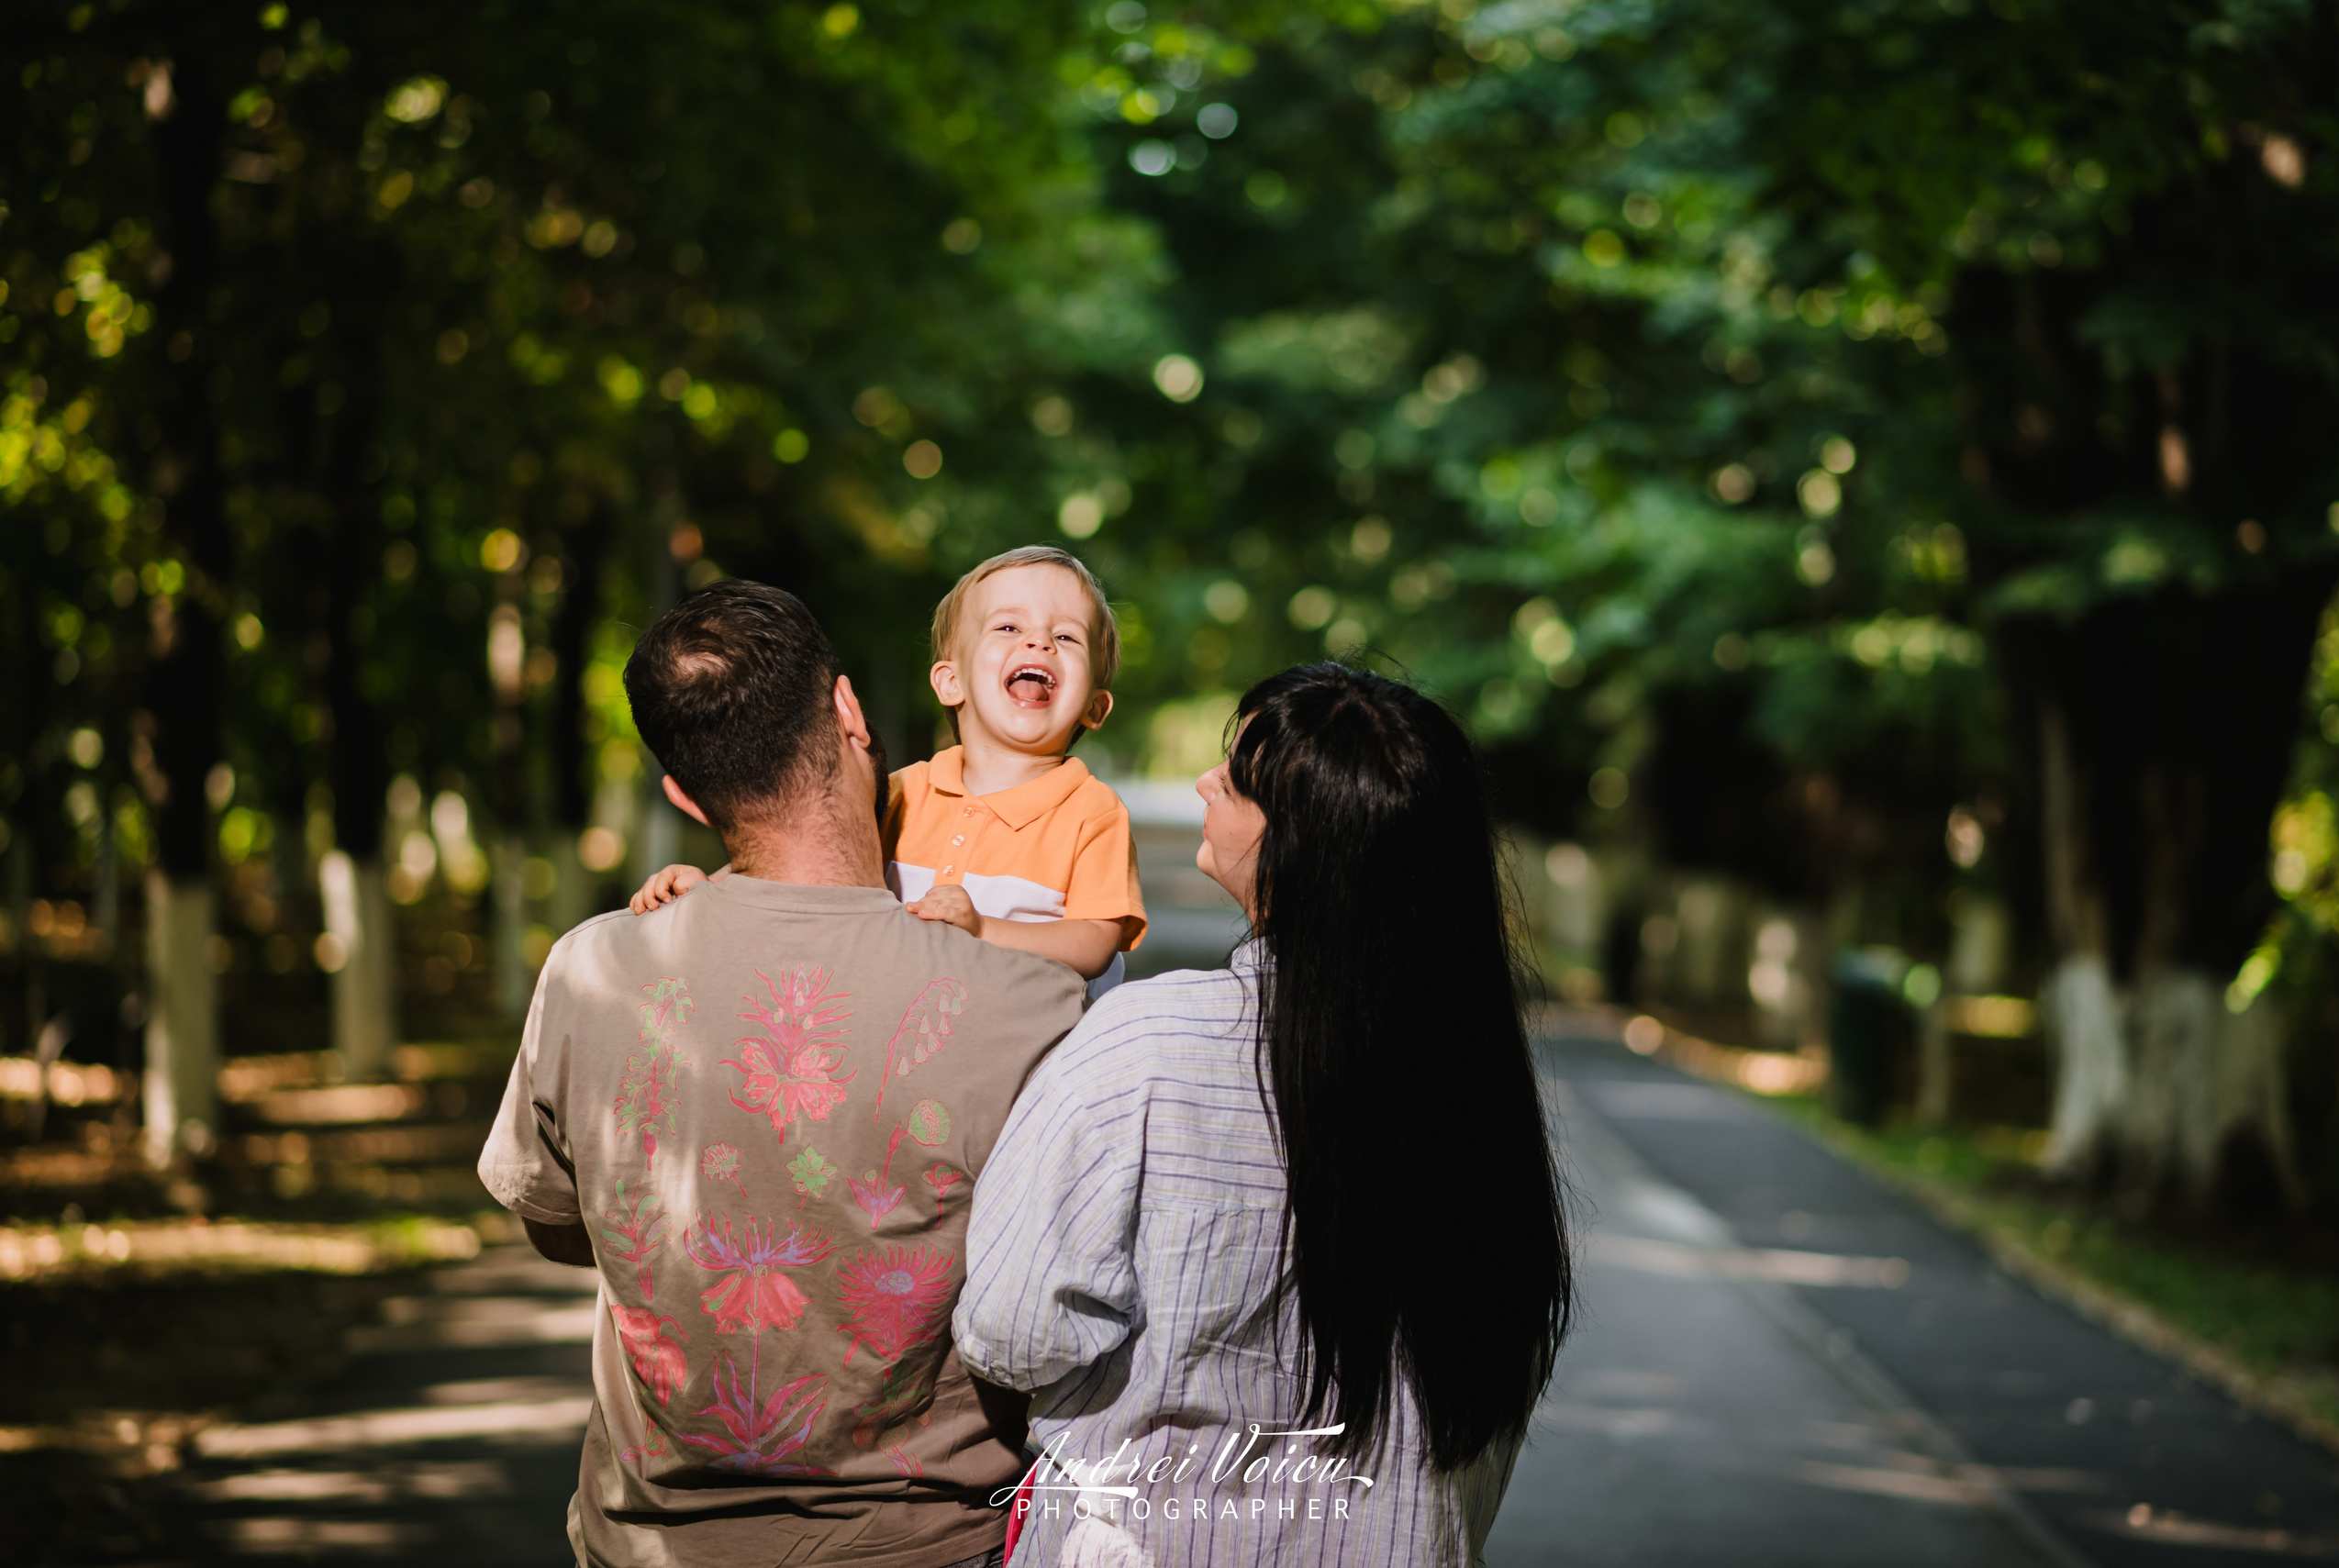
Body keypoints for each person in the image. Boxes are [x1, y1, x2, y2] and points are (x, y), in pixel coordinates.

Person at [479, 580, 1086, 1568]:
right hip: (931, 1545)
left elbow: (559, 1227)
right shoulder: (1033, 1003)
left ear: (683, 791)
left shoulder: (586, 972)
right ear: (848, 710)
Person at [952, 663, 1574, 1567]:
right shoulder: (1480, 1090)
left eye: (1234, 776)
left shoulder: (1142, 1047)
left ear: (1297, 844)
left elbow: (1012, 1328)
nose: (1206, 782)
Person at [633, 546, 1146, 994]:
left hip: (1031, 1052)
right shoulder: (905, 791)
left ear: (1095, 708)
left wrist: (985, 930)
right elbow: (804, 861)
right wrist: (713, 891)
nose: (1040, 643)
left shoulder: (1092, 813)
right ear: (950, 682)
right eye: (1009, 626)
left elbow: (1096, 941)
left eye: (1067, 637)